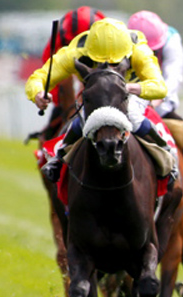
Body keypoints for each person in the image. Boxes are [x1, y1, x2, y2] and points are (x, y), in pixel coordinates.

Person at [26, 17, 173, 183]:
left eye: (115, 63)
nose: (108, 67)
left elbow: (160, 87)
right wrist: (38, 93)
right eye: (100, 62)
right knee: (83, 116)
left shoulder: (138, 50)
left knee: (132, 114)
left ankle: (165, 152)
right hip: (97, 94)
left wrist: (132, 88)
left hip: (131, 92)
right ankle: (58, 159)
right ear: (90, 52)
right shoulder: (75, 53)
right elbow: (39, 78)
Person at [128, 10, 183, 186]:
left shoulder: (171, 41)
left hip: (160, 108)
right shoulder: (121, 42)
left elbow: (171, 80)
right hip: (127, 103)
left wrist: (152, 103)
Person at [38, 6, 106, 140]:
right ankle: (47, 144)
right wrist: (55, 99)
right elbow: (47, 68)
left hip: (97, 67)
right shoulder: (60, 36)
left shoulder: (106, 33)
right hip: (68, 71)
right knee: (65, 83)